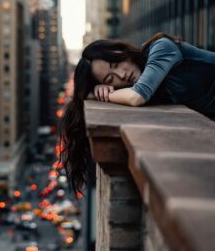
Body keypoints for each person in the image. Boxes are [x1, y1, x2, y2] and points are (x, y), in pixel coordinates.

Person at [59, 32, 215, 194]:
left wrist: (102, 95)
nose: (121, 75)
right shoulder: (151, 84)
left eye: (115, 63)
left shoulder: (162, 47)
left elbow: (137, 97)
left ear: (121, 50)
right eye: (110, 80)